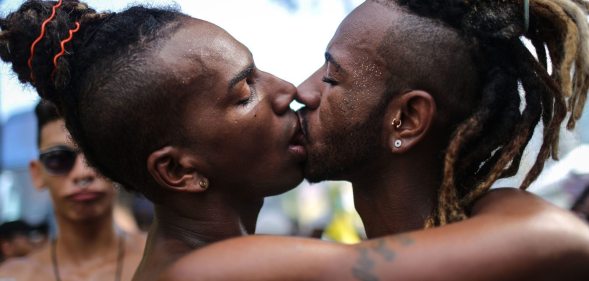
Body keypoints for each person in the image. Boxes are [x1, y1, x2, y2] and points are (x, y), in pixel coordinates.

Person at [1, 1, 588, 281]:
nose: (293, 91)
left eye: (330, 76)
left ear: (406, 120)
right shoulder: (205, 273)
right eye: (245, 91)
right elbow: (557, 235)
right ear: (179, 171)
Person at [0, 101, 145, 281]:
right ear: (37, 174)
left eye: (96, 156)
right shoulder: (12, 277)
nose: (82, 173)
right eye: (58, 159)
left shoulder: (164, 262)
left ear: (117, 165)